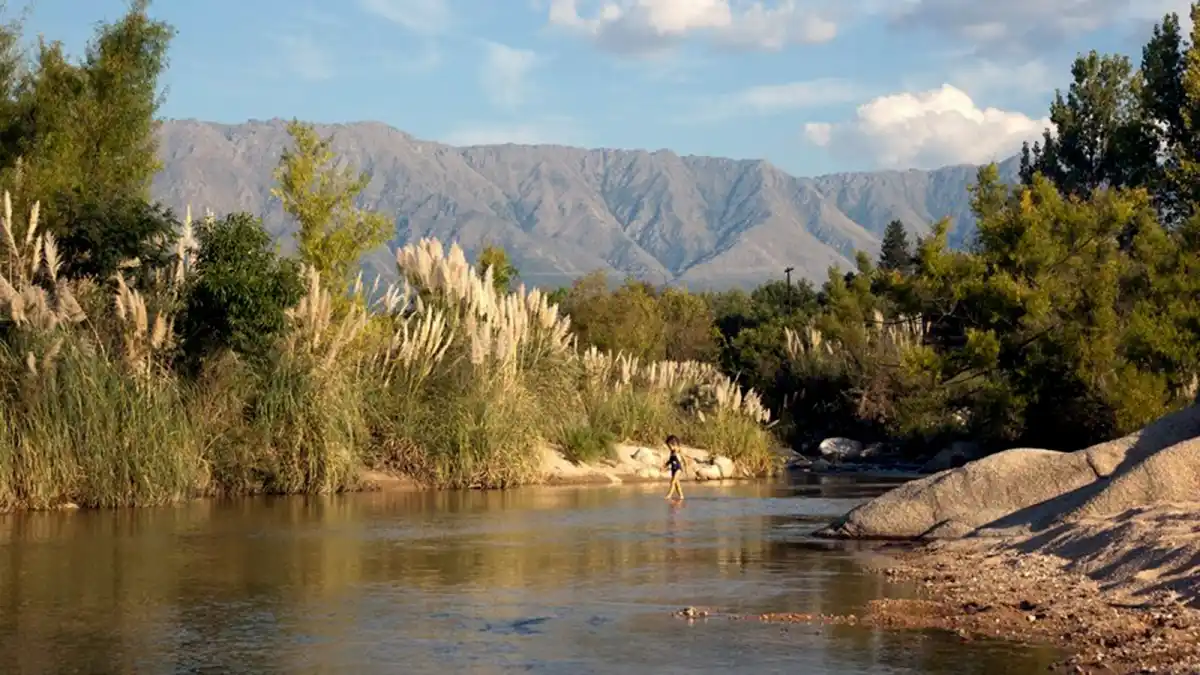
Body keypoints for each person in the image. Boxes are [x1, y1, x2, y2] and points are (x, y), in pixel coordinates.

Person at [664, 435, 687, 500]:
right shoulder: (671, 452)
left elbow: (685, 459)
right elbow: (670, 460)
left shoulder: (679, 450)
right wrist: (664, 466)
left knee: (672, 482)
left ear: (674, 444)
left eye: (669, 446)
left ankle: (669, 495)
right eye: (668, 446)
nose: (669, 448)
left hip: (678, 469)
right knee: (677, 484)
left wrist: (686, 468)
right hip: (673, 469)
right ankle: (681, 496)